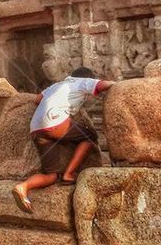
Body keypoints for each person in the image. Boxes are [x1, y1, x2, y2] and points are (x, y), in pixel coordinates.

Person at [11, 67, 114, 214]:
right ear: (87, 77)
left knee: (52, 175)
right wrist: (118, 85)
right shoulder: (82, 82)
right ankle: (69, 173)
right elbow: (103, 85)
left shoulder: (57, 85)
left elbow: (37, 99)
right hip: (54, 120)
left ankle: (23, 187)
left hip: (36, 128)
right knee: (89, 137)